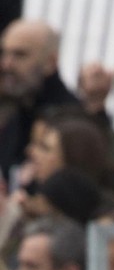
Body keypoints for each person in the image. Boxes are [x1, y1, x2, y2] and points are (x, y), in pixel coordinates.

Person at [0, 18, 79, 180]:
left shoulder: (70, 121)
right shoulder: (18, 108)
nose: (6, 65)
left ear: (50, 62)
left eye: (20, 55)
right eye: (4, 53)